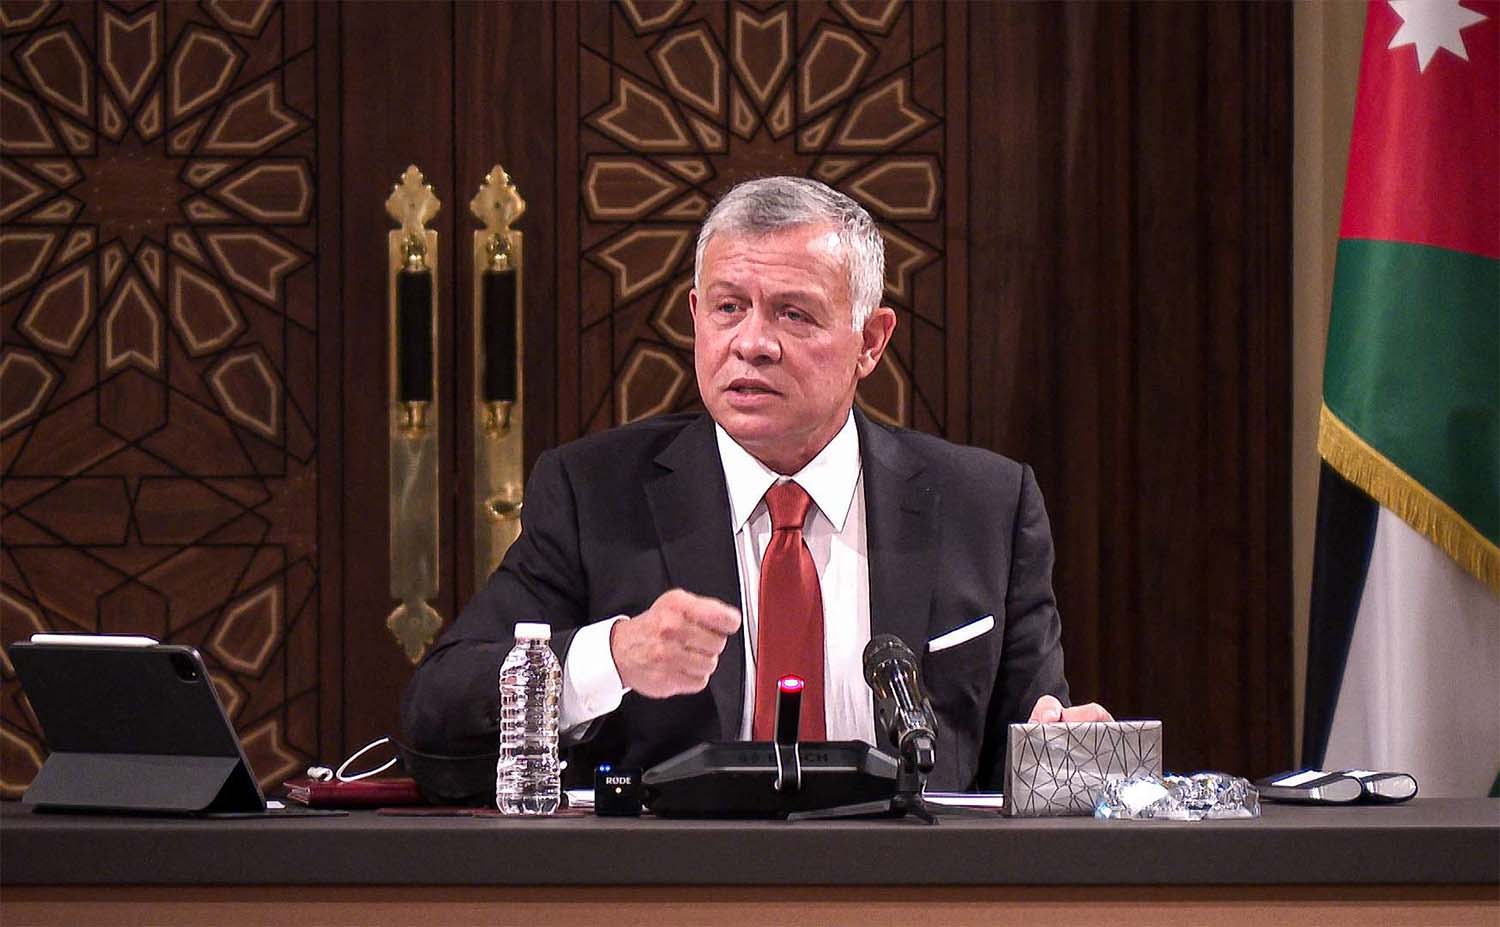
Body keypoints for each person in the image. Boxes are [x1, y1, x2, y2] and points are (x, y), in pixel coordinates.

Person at [401, 177, 1108, 797]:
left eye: (794, 314)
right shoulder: (596, 494)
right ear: (694, 316)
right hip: (670, 888)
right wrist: (610, 658)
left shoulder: (985, 504)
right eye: (728, 307)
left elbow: (1030, 751)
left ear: (870, 340)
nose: (751, 343)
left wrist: (1067, 752)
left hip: (904, 884)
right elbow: (436, 715)